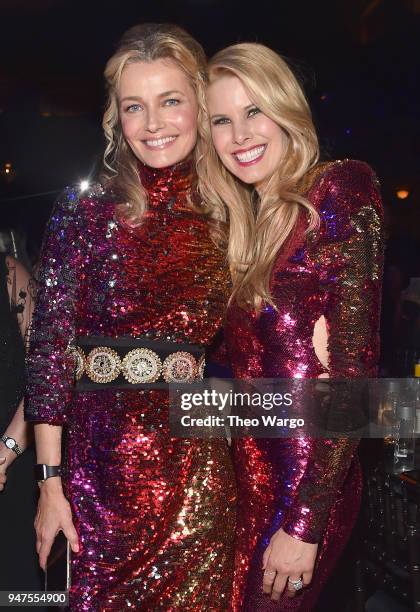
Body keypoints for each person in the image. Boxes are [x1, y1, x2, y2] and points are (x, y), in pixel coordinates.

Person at [25, 23, 236, 611]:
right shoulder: (84, 209)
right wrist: (49, 483)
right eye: (134, 107)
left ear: (200, 104)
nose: (153, 124)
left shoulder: (232, 213)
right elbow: (49, 354)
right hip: (96, 476)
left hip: (197, 477)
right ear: (116, 118)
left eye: (171, 101)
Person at [198, 43, 384, 610]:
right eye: (221, 121)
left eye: (254, 111)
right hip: (250, 478)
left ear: (286, 106)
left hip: (309, 482)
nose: (240, 135)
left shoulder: (339, 187)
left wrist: (304, 522)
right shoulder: (245, 225)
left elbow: (355, 376)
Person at [0, 254, 42, 595]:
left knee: (17, 595)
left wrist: (4, 453)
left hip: (12, 468)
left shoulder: (11, 276)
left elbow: (47, 375)